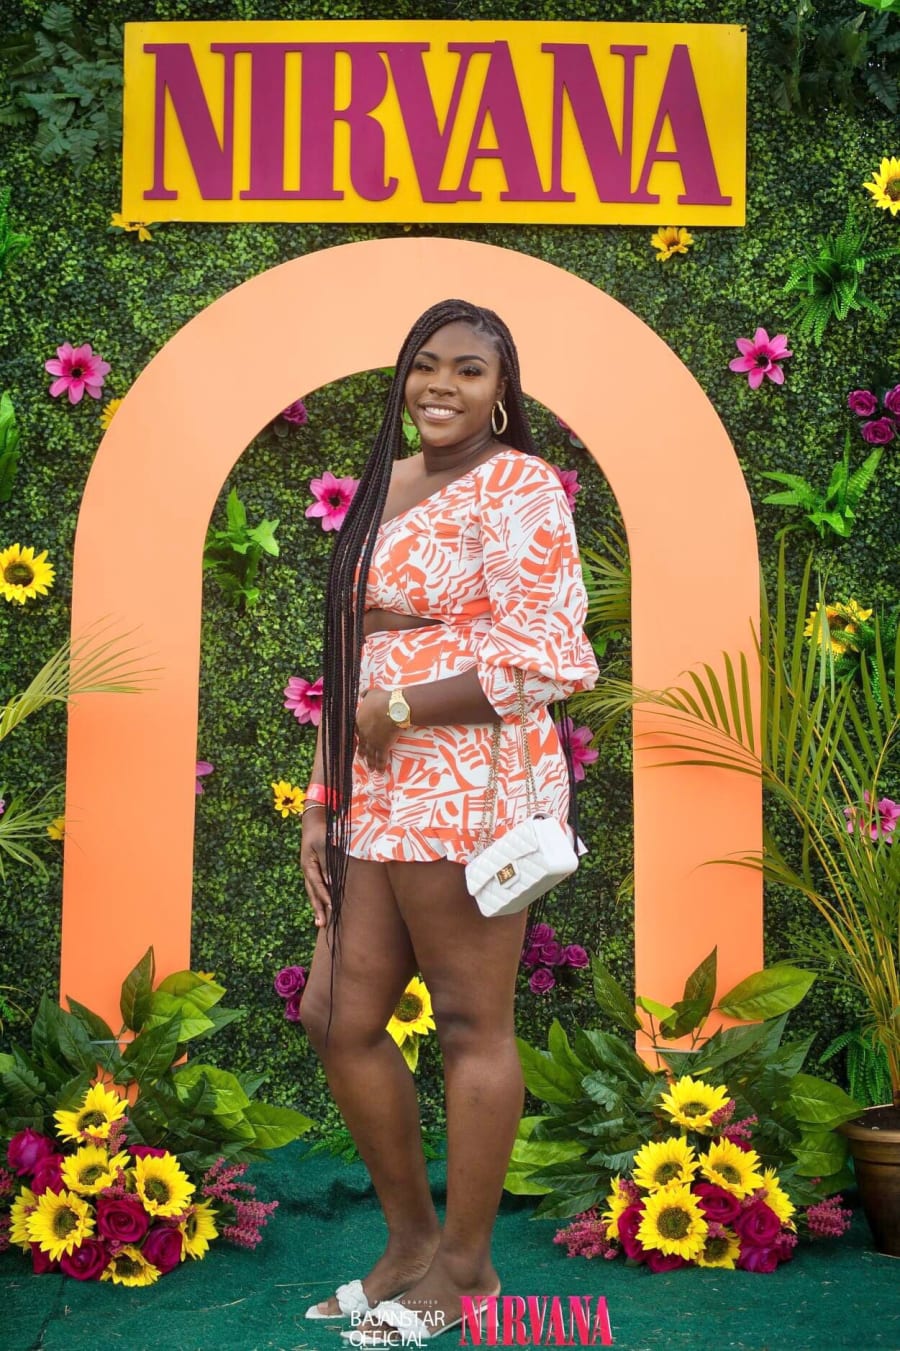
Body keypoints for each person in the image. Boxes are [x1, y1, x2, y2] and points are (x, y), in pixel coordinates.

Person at [298, 299, 598, 1342]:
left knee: (473, 1023)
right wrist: (322, 794)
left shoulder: (520, 486)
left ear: (502, 392)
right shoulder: (384, 483)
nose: (441, 385)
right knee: (336, 1015)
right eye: (426, 364)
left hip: (469, 781)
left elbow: (551, 654)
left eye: (469, 370)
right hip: (372, 784)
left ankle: (466, 1272)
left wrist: (402, 708)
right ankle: (410, 1244)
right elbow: (350, 650)